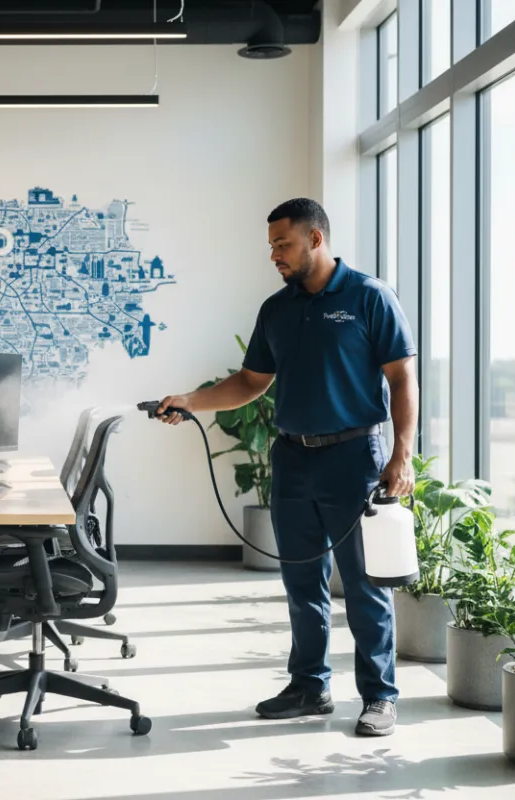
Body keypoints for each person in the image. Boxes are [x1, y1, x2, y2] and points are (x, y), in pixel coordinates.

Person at [155, 198, 417, 737]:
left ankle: (379, 697)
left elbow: (401, 378)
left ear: (315, 239)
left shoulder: (370, 297)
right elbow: (251, 382)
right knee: (301, 581)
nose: (273, 254)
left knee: (366, 586)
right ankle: (309, 687)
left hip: (354, 458)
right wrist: (190, 399)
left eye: (282, 244)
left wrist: (402, 454)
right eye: (272, 245)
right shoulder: (276, 308)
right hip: (292, 457)